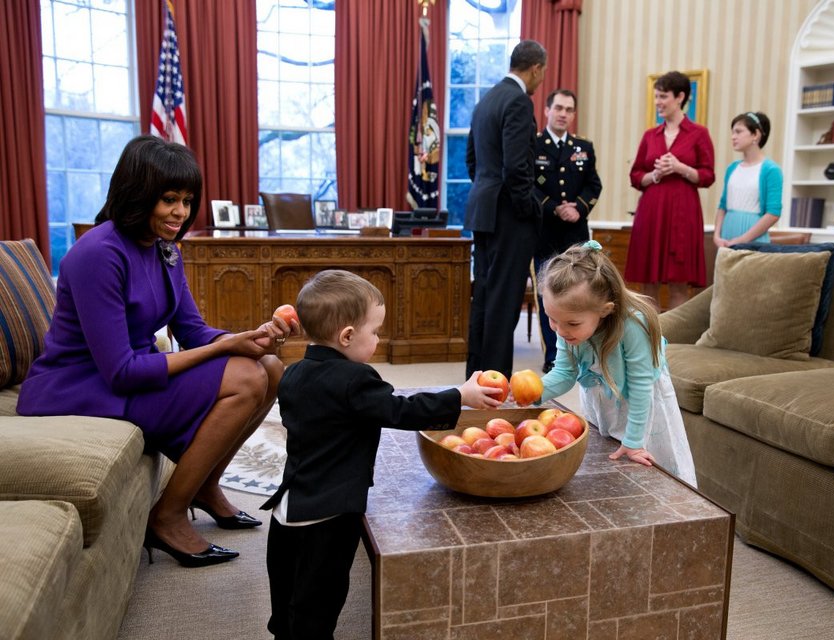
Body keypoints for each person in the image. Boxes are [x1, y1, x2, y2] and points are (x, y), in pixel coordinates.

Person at [16, 135, 295, 568]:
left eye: (186, 200)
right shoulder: (98, 254)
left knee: (271, 366)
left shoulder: (165, 249)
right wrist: (226, 353)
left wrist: (246, 339)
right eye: (168, 199)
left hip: (130, 372)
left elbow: (191, 329)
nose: (180, 213)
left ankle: (205, 485)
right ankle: (166, 517)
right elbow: (122, 371)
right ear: (138, 193)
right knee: (247, 378)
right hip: (79, 385)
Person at [261, 270, 502, 640]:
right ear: (346, 336)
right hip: (329, 515)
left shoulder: (293, 374)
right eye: (374, 331)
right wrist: (459, 396)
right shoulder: (355, 381)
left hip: (289, 509)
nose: (378, 339)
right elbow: (400, 410)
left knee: (287, 595)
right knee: (319, 603)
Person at [530, 241, 696, 486]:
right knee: (610, 459)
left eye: (572, 324)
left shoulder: (634, 325)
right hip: (605, 401)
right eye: (551, 319)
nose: (560, 330)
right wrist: (530, 392)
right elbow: (565, 374)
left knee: (654, 470)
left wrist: (634, 442)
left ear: (605, 310)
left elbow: (642, 388)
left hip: (642, 407)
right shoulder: (565, 323)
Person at [464, 39, 547, 378]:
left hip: (483, 210)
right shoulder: (518, 101)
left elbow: (473, 159)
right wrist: (529, 208)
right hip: (509, 215)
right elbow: (516, 168)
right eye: (542, 74)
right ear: (536, 68)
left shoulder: (486, 100)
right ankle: (495, 383)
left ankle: (477, 376)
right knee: (504, 301)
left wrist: (488, 192)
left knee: (484, 296)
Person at [624, 70, 715, 310]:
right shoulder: (649, 135)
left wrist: (680, 167)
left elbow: (707, 175)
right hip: (652, 210)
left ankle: (674, 342)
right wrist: (654, 175)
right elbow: (635, 176)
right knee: (649, 281)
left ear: (680, 97)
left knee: (678, 282)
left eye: (663, 96)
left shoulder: (699, 134)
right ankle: (650, 339)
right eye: (656, 96)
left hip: (683, 214)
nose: (658, 102)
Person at [533, 88, 603, 374]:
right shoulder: (534, 144)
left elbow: (594, 185)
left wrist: (580, 208)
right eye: (558, 108)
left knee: (582, 289)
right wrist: (554, 208)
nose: (563, 114)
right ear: (547, 110)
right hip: (545, 231)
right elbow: (529, 186)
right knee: (549, 292)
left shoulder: (583, 147)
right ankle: (554, 357)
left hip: (576, 231)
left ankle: (584, 351)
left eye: (569, 110)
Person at [713, 111, 782, 247]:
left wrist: (743, 239)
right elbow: (722, 206)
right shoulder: (732, 168)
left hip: (753, 241)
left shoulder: (771, 170)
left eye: (738, 132)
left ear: (755, 135)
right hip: (726, 237)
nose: (733, 137)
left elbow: (773, 213)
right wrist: (716, 235)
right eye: (732, 132)